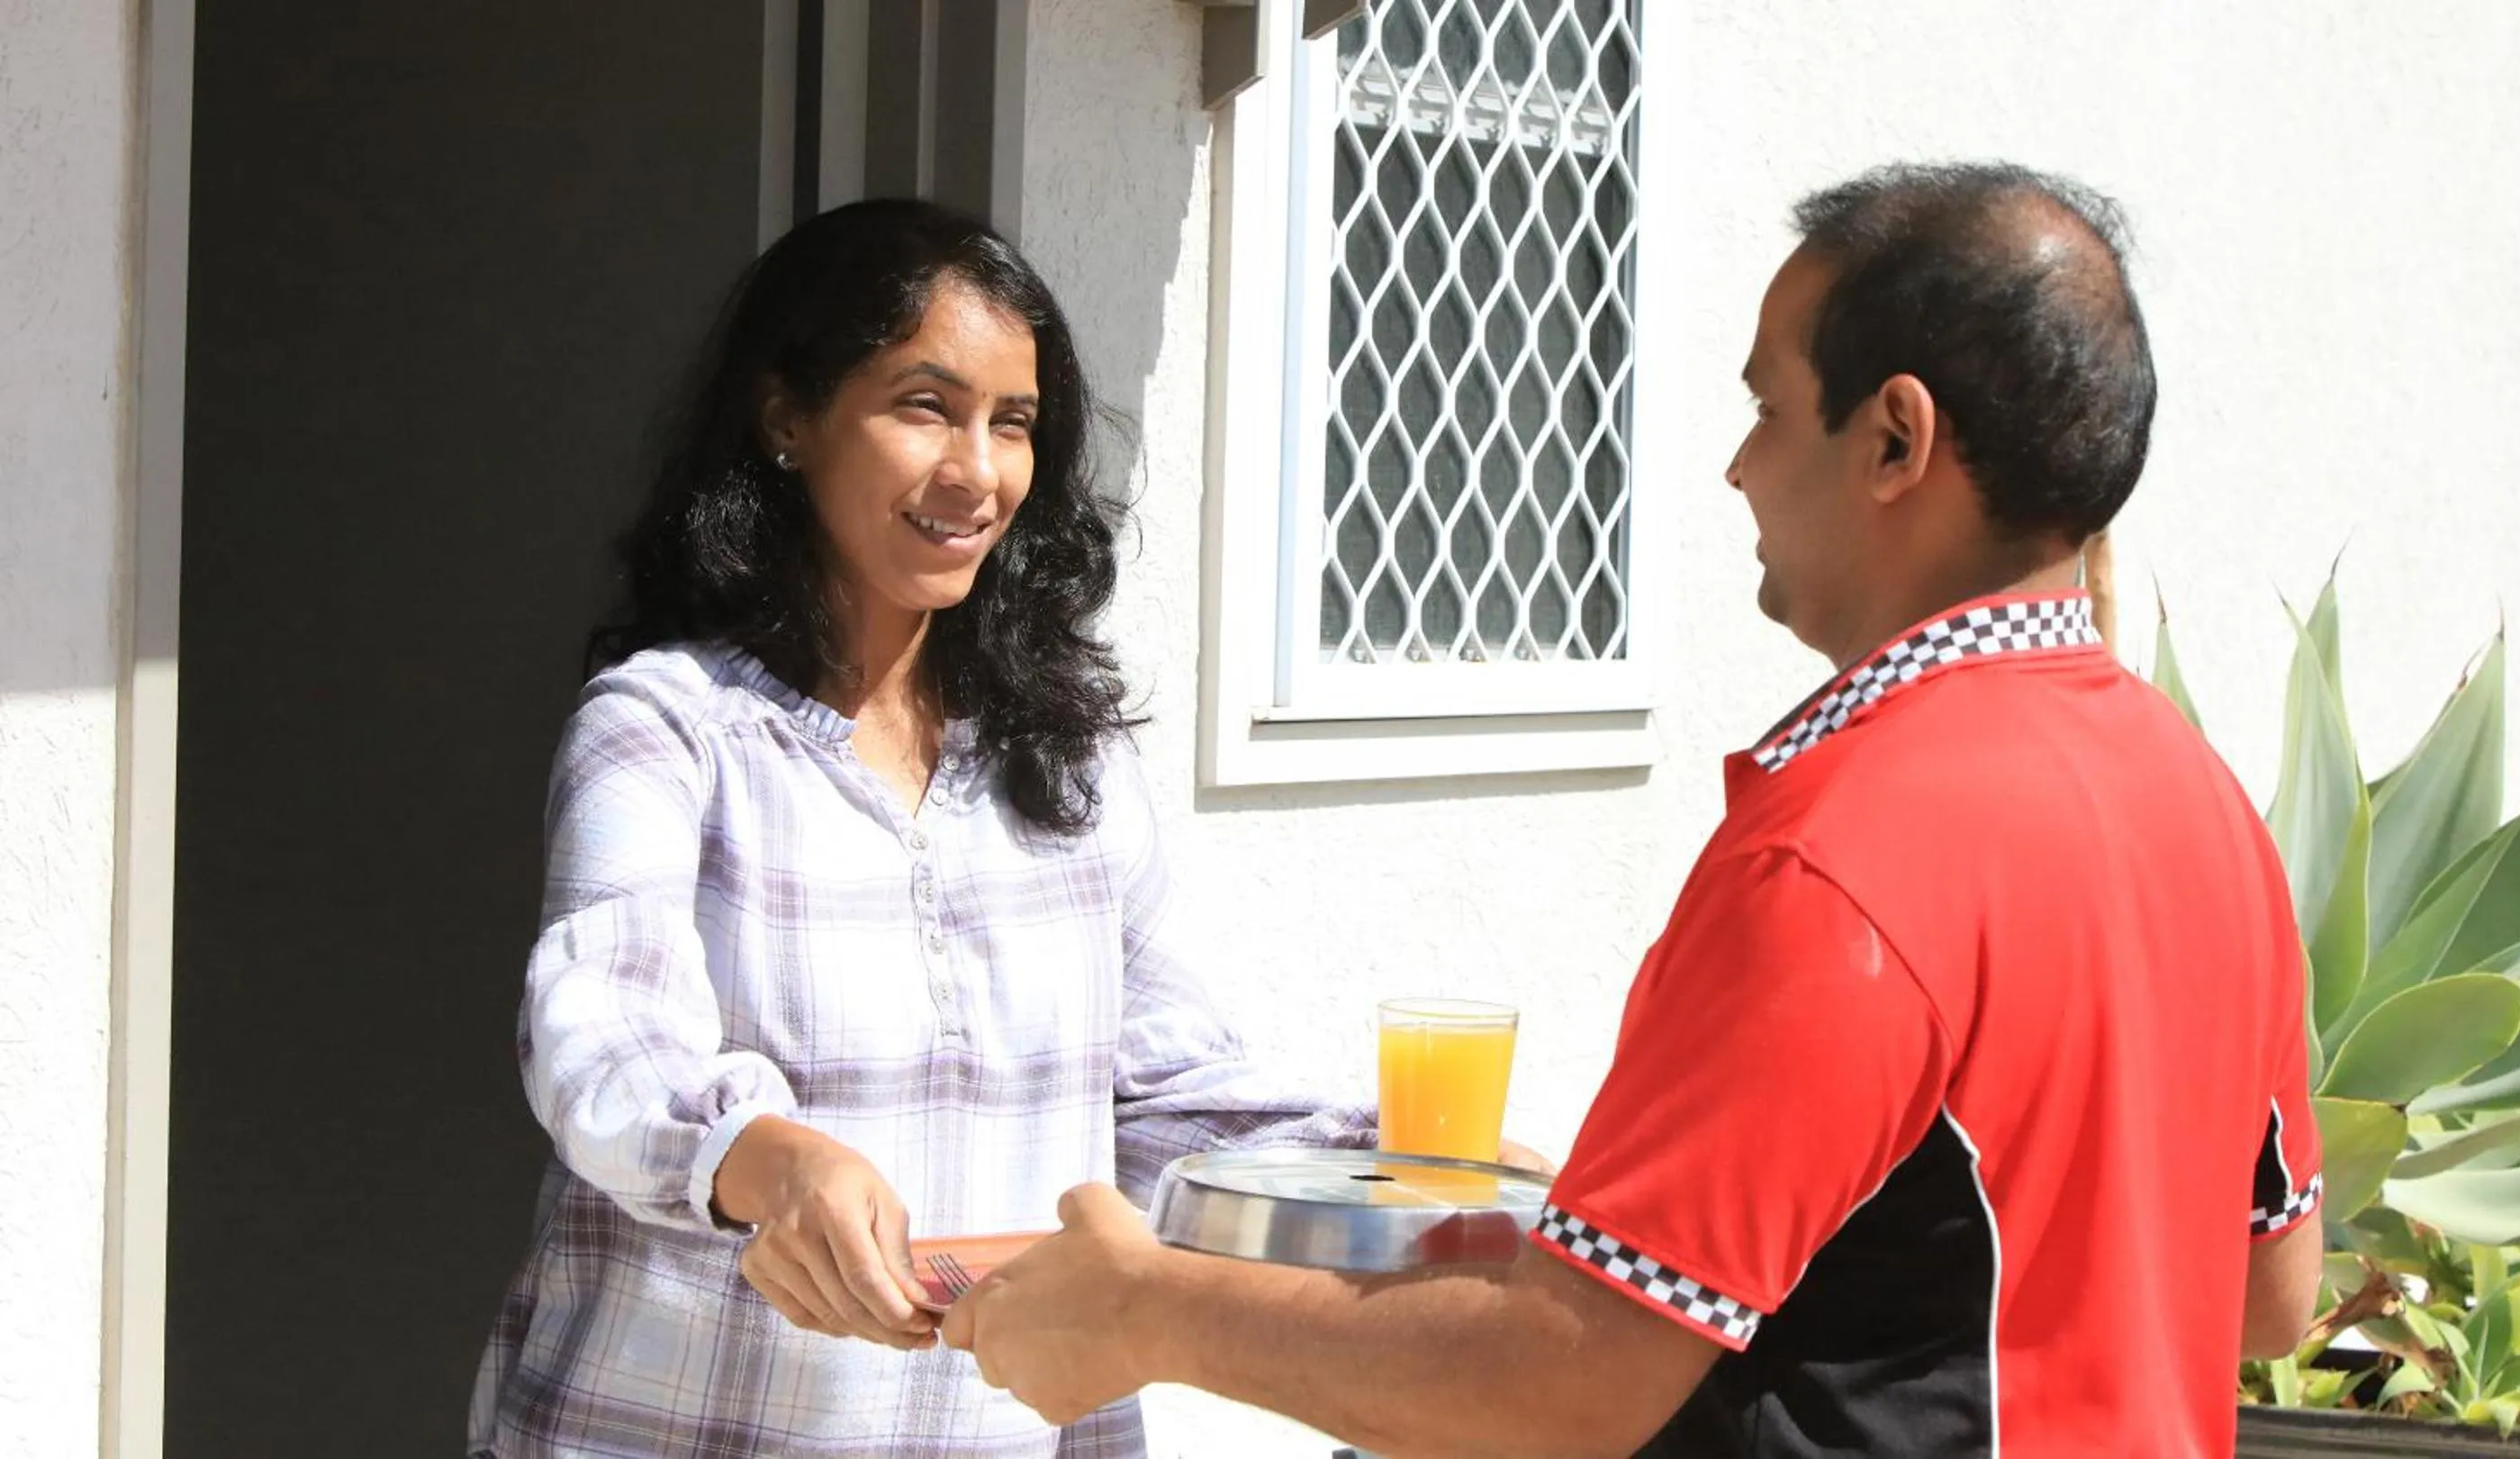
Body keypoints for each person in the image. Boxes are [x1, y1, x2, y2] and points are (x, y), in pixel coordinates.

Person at [940, 162, 2326, 1457]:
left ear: (1895, 437)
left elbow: (1567, 1374)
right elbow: (2265, 1296)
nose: (1736, 467)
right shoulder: (2202, 809)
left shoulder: (1846, 855)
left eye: (1769, 410)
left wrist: (1151, 1308)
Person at [466, 198, 1379, 1458]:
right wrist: (764, 1157)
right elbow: (600, 1031)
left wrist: (1394, 1169)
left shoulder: (1070, 759)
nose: (977, 471)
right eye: (924, 406)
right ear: (787, 417)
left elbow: (1159, 1100)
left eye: (1012, 423)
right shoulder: (669, 727)